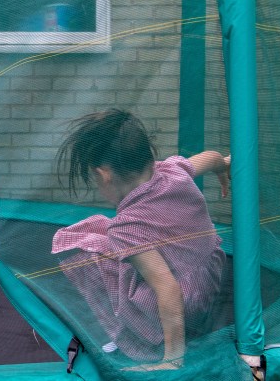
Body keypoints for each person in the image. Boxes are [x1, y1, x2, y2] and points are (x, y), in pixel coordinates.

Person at [51, 109, 230, 368]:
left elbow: (167, 288)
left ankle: (138, 339)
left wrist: (173, 359)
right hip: (209, 278)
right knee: (104, 228)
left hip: (181, 302)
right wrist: (224, 166)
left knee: (80, 246)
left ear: (104, 175)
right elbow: (212, 157)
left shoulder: (128, 227)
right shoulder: (173, 170)